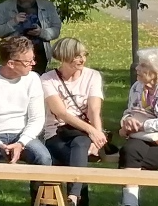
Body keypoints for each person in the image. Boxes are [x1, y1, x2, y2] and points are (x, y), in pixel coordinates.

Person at [0, 36, 52, 206]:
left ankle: (40, 203)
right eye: (28, 61)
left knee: (43, 157)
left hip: (21, 135)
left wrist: (21, 143)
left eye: (33, 59)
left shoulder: (33, 79)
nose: (33, 64)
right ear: (11, 63)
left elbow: (37, 119)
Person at [41, 37, 104, 206]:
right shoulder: (48, 79)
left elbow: (94, 110)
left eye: (84, 55)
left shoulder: (93, 76)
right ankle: (77, 197)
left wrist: (97, 138)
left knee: (81, 143)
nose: (82, 59)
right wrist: (92, 131)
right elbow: (61, 112)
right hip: (57, 133)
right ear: (64, 56)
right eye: (77, 56)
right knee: (78, 156)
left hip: (82, 134)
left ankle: (73, 196)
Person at [0, 0, 63, 74]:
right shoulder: (3, 8)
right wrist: (13, 22)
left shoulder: (47, 6)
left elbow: (56, 29)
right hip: (15, 58)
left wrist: (41, 32)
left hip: (40, 56)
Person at [120, 48, 158, 206]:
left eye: (143, 65)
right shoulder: (137, 86)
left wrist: (142, 125)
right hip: (143, 137)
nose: (137, 68)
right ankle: (130, 203)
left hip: (150, 136)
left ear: (156, 71)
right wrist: (127, 120)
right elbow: (129, 111)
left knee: (129, 155)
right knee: (130, 150)